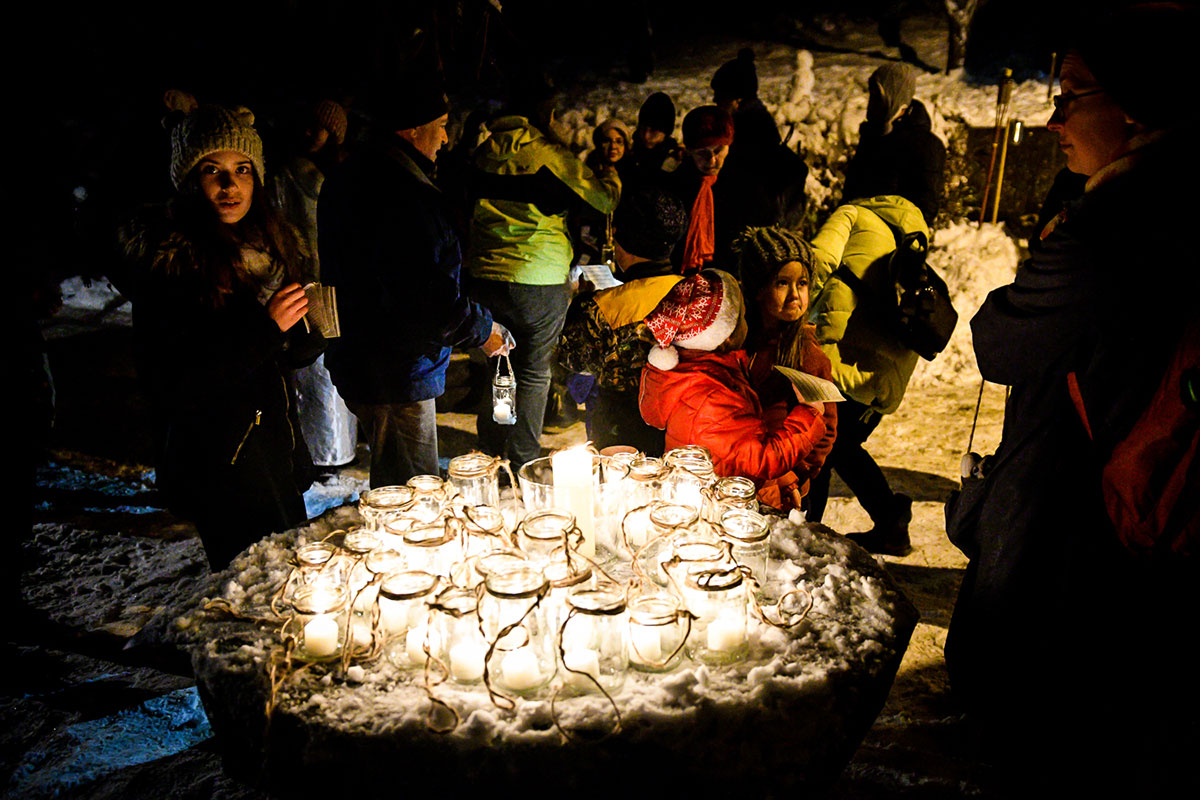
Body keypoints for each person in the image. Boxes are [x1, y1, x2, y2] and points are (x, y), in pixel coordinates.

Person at [945, 5, 1200, 793]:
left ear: (1131, 103)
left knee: (1044, 725)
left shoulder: (1114, 223)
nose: (1053, 120)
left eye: (1072, 95)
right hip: (1151, 514)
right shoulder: (1189, 197)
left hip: (1076, 527)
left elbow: (1000, 341)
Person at [122, 105, 323, 570]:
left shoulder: (266, 249)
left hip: (271, 446)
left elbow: (268, 360)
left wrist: (306, 338)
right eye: (213, 171)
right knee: (249, 584)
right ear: (189, 181)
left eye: (242, 170)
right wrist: (267, 328)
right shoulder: (170, 265)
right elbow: (177, 382)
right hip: (222, 462)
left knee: (288, 574)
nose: (230, 186)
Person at [319, 81, 512, 488]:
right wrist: (483, 331)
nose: (445, 136)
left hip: (367, 357)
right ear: (410, 129)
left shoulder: (354, 174)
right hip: (395, 367)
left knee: (398, 473)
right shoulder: (402, 195)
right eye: (439, 125)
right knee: (411, 489)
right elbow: (426, 297)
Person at [466, 80, 620, 473]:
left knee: (498, 364)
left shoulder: (484, 152)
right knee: (533, 371)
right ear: (545, 114)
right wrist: (612, 180)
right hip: (538, 274)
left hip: (484, 273)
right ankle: (521, 455)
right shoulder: (549, 153)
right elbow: (601, 198)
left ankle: (492, 444)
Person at [803, 195, 930, 555]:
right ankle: (891, 520)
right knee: (842, 446)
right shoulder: (915, 238)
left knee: (820, 446)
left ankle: (806, 538)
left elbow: (819, 261)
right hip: (887, 372)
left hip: (842, 360)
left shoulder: (853, 215)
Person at [638, 269, 828, 484]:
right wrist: (809, 415)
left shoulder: (694, 371)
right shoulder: (710, 397)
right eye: (743, 318)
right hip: (718, 499)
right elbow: (763, 459)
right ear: (726, 336)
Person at [558, 184, 689, 455]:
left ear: (618, 238)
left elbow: (572, 363)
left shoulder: (600, 307)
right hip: (686, 427)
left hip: (620, 435)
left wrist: (580, 303)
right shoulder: (697, 295)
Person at [269, 99, 358, 470]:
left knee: (337, 365)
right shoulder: (286, 174)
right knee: (313, 366)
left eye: (318, 128)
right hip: (305, 281)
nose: (310, 134)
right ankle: (321, 451)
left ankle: (340, 446)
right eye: (306, 126)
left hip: (339, 280)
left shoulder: (341, 173)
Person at [733, 226, 837, 510]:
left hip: (784, 487)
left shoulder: (806, 354)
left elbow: (824, 426)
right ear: (757, 289)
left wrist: (796, 473)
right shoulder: (737, 341)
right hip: (737, 475)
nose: (795, 295)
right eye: (782, 283)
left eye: (802, 283)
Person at [840, 63, 946, 225]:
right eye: (872, 95)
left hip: (891, 242)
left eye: (879, 97)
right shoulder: (872, 136)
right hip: (854, 231)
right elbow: (852, 192)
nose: (872, 104)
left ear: (895, 99)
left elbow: (924, 210)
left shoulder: (926, 145)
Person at [662, 106, 734, 274]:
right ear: (689, 151)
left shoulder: (736, 184)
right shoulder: (675, 186)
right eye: (702, 153)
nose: (712, 160)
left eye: (719, 150)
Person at [626, 92, 681, 180]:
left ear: (666, 132)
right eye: (643, 128)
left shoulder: (677, 162)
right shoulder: (628, 158)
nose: (646, 136)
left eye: (654, 130)